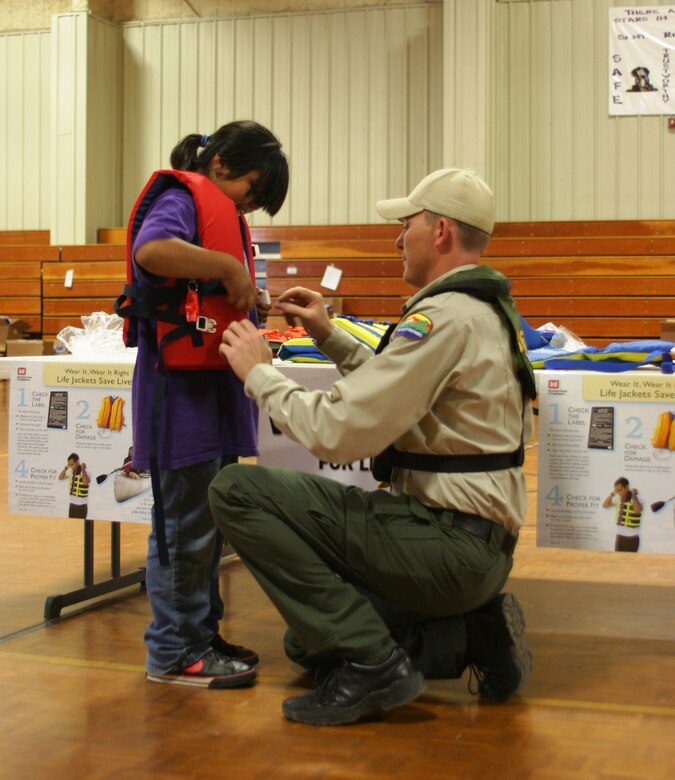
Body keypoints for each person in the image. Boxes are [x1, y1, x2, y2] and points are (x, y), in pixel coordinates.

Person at [209, 168, 536, 725]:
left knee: (237, 488)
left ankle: (376, 664)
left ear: (440, 233)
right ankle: (472, 635)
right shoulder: (481, 310)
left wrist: (259, 374)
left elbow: (339, 433)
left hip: (446, 544)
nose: (396, 238)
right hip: (474, 550)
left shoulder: (446, 318)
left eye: (405, 225)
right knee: (307, 646)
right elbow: (407, 393)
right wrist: (327, 334)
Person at [124, 120, 289, 689]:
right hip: (180, 397)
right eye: (250, 188)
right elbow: (152, 251)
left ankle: (200, 635)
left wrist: (252, 297)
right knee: (183, 528)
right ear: (220, 165)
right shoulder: (180, 196)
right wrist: (228, 268)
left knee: (209, 528)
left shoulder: (220, 211)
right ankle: (172, 652)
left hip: (214, 396)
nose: (249, 203)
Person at [602, 477, 643, 552]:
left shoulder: (636, 498)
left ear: (627, 487)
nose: (619, 493)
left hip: (631, 537)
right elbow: (605, 505)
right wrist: (612, 494)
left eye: (620, 490)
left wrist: (633, 495)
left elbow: (637, 511)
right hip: (619, 535)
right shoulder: (618, 498)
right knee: (617, 560)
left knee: (628, 562)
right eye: (617, 491)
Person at [58, 453, 91, 519]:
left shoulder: (86, 471)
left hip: (81, 505)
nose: (71, 467)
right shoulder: (71, 472)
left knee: (80, 527)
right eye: (70, 465)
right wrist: (66, 467)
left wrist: (83, 469)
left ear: (77, 461)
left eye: (72, 464)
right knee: (72, 526)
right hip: (72, 504)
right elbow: (60, 477)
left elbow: (86, 482)